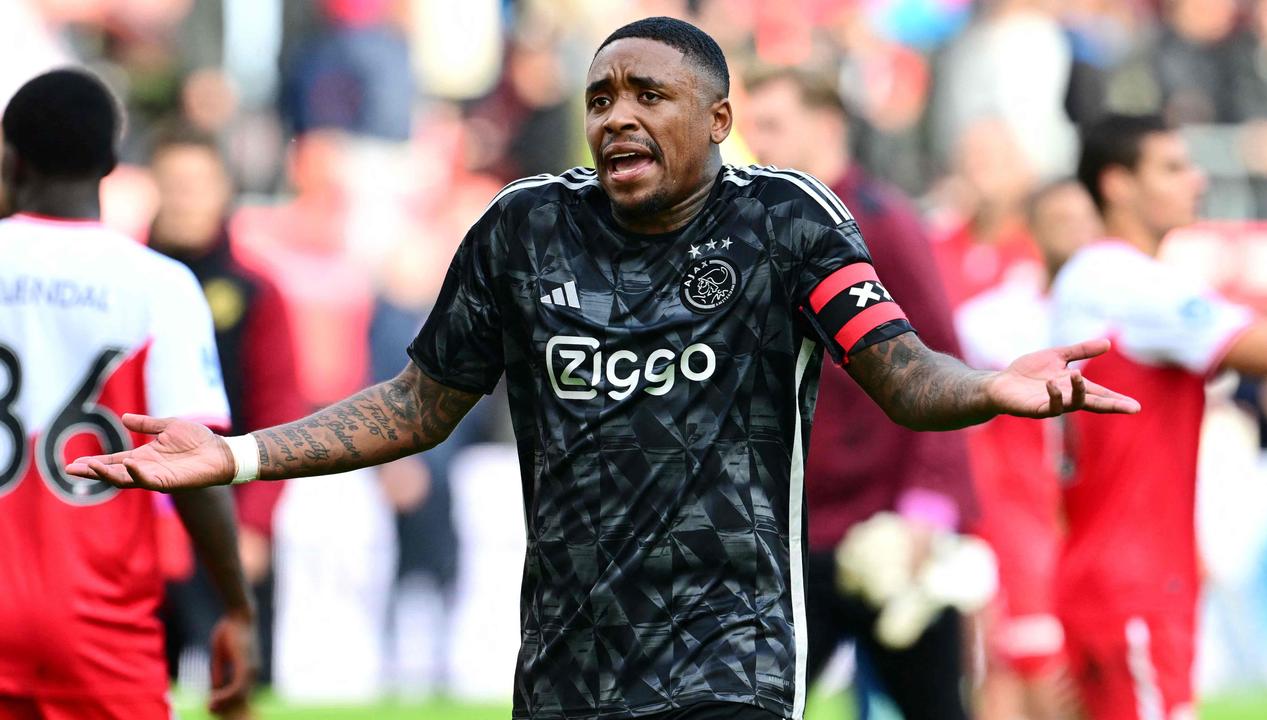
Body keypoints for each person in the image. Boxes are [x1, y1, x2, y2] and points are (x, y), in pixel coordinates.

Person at [71, 18, 1137, 720]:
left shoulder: (782, 219)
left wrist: (987, 387)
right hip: (568, 660)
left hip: (735, 646)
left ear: (719, 121)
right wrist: (241, 453)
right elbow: (417, 402)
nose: (616, 113)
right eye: (599, 96)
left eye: (647, 94)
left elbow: (899, 373)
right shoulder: (524, 229)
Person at [0, 70, 256, 720]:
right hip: (98, 625)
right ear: (114, 160)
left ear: (11, 153)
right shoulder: (159, 286)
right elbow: (194, 465)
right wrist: (236, 605)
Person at [741, 65, 976, 720]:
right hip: (797, 528)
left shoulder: (881, 221)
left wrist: (928, 506)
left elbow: (941, 359)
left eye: (772, 125)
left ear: (827, 125)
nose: (757, 143)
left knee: (934, 706)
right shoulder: (753, 227)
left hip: (888, 528)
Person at [1052, 114, 1267, 720]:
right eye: (1173, 168)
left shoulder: (1088, 278)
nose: (1196, 181)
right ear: (1118, 184)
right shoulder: (1130, 283)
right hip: (1137, 579)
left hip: (1103, 567)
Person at [147, 122, 307, 687]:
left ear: (222, 190)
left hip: (228, 517)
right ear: (154, 187)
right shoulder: (126, 282)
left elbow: (280, 410)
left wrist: (257, 522)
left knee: (240, 688)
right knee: (138, 686)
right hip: (139, 524)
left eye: (198, 183)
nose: (186, 197)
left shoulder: (256, 290)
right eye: (174, 183)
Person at [953, 179, 1101, 720]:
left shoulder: (1122, 316)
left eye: (1085, 220)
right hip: (1019, 529)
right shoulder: (991, 321)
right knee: (1024, 677)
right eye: (1061, 220)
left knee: (1089, 680)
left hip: (1096, 527)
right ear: (1032, 229)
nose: (1076, 233)